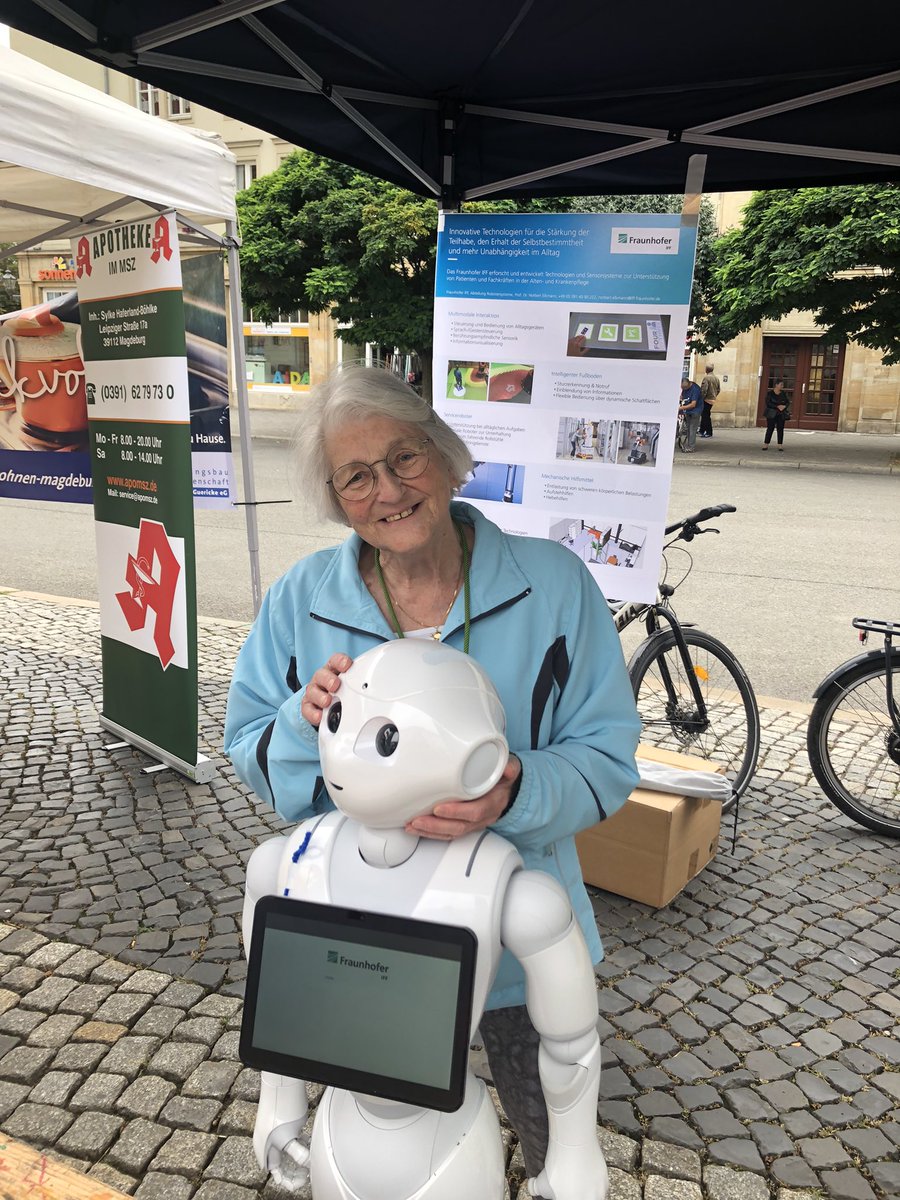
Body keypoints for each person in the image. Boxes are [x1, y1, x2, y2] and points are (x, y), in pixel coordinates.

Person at [224, 364, 640, 1185]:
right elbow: (252, 751)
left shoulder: (552, 586)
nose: (389, 489)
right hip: (363, 943)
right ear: (337, 497)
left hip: (516, 951)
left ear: (447, 457)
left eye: (406, 457)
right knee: (380, 1143)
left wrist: (515, 791)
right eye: (356, 476)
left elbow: (607, 756)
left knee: (548, 1129)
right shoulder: (301, 600)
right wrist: (305, 726)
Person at [763, 379, 790, 450]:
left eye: (782, 385)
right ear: (776, 385)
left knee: (780, 428)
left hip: (781, 413)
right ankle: (766, 444)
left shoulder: (783, 393)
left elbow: (787, 402)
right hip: (772, 413)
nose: (782, 386)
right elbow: (768, 403)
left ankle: (780, 445)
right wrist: (777, 406)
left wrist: (784, 406)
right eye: (781, 385)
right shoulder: (770, 393)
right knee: (770, 428)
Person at [678, 375, 702, 451]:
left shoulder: (695, 389)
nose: (683, 389)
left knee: (692, 429)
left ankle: (691, 447)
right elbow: (682, 396)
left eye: (684, 388)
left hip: (695, 411)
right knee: (688, 428)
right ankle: (689, 444)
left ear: (688, 385)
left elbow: (693, 404)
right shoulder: (685, 388)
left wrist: (681, 408)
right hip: (688, 411)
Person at [699, 363, 720, 438]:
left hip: (706, 399)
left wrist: (701, 398)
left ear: (707, 369)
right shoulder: (716, 378)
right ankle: (702, 430)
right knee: (706, 414)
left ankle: (708, 431)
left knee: (705, 416)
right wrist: (714, 396)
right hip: (712, 399)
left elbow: (704, 390)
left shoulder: (707, 378)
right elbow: (718, 389)